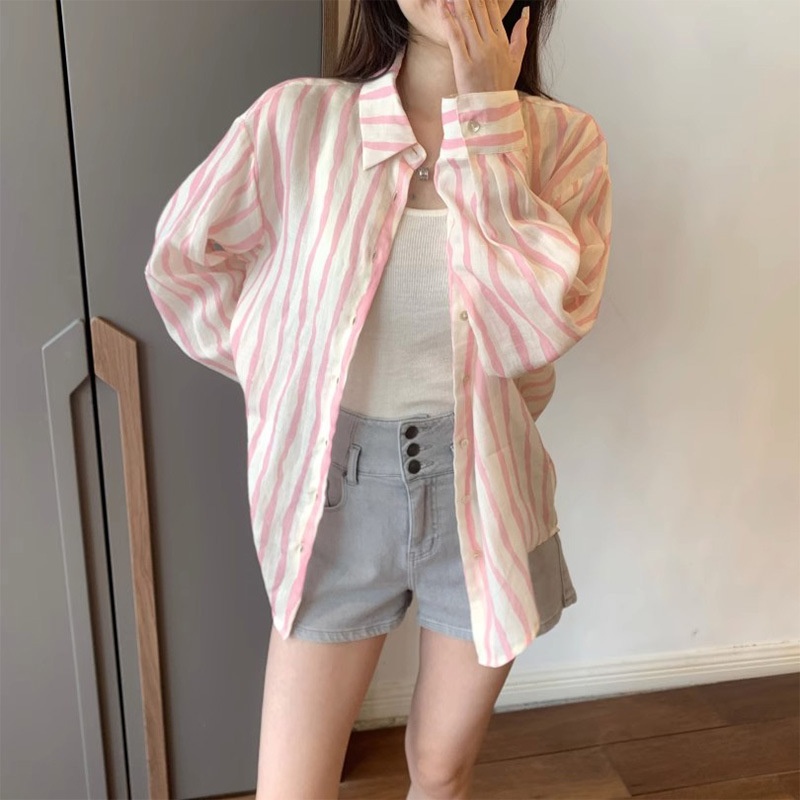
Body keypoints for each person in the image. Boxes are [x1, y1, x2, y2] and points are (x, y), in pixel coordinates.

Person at [144, 0, 612, 797]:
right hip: (334, 498)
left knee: (442, 769)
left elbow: (533, 331)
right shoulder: (296, 123)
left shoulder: (564, 142)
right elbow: (183, 264)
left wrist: (486, 120)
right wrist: (287, 371)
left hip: (489, 494)